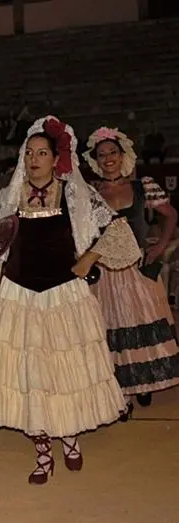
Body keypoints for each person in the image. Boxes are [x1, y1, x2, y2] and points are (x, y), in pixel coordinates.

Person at [0, 116, 138, 484]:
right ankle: (42, 448)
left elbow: (118, 231)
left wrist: (88, 258)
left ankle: (70, 436)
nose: (34, 159)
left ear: (56, 159)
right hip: (20, 295)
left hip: (64, 295)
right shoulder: (6, 197)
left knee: (67, 369)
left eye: (42, 153)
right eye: (29, 153)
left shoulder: (76, 194)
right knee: (31, 373)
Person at [83, 127, 179, 413]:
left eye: (112, 152)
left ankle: (143, 381)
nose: (108, 158)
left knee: (142, 326)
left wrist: (161, 245)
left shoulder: (142, 186)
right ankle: (120, 391)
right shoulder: (91, 193)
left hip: (137, 269)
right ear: (96, 160)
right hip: (105, 272)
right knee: (111, 328)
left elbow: (171, 214)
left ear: (123, 155)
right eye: (102, 154)